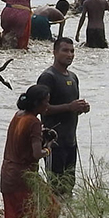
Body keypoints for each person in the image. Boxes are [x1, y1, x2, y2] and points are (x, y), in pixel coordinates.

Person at [1, 85, 60, 218]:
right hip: (24, 177)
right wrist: (48, 147)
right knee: (51, 211)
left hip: (7, 175)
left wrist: (39, 135)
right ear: (36, 104)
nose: (48, 106)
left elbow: (21, 140)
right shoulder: (34, 122)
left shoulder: (18, 115)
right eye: (46, 102)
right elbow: (37, 154)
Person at [37, 38, 90, 196]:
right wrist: (69, 107)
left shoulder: (73, 77)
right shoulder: (48, 77)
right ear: (54, 52)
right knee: (55, 187)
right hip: (53, 143)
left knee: (69, 185)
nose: (70, 54)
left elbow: (72, 107)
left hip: (70, 141)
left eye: (72, 51)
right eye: (65, 50)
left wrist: (81, 108)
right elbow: (42, 109)